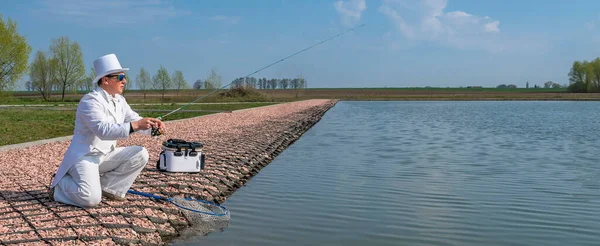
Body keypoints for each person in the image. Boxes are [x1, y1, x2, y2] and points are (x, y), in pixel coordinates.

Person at [49, 53, 166, 207]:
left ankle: (109, 188)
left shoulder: (119, 100)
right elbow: (103, 130)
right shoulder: (90, 101)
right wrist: (137, 125)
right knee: (91, 199)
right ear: (105, 80)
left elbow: (133, 119)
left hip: (105, 155)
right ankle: (59, 186)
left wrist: (152, 127)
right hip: (85, 157)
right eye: (120, 77)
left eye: (124, 77)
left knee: (140, 154)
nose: (124, 81)